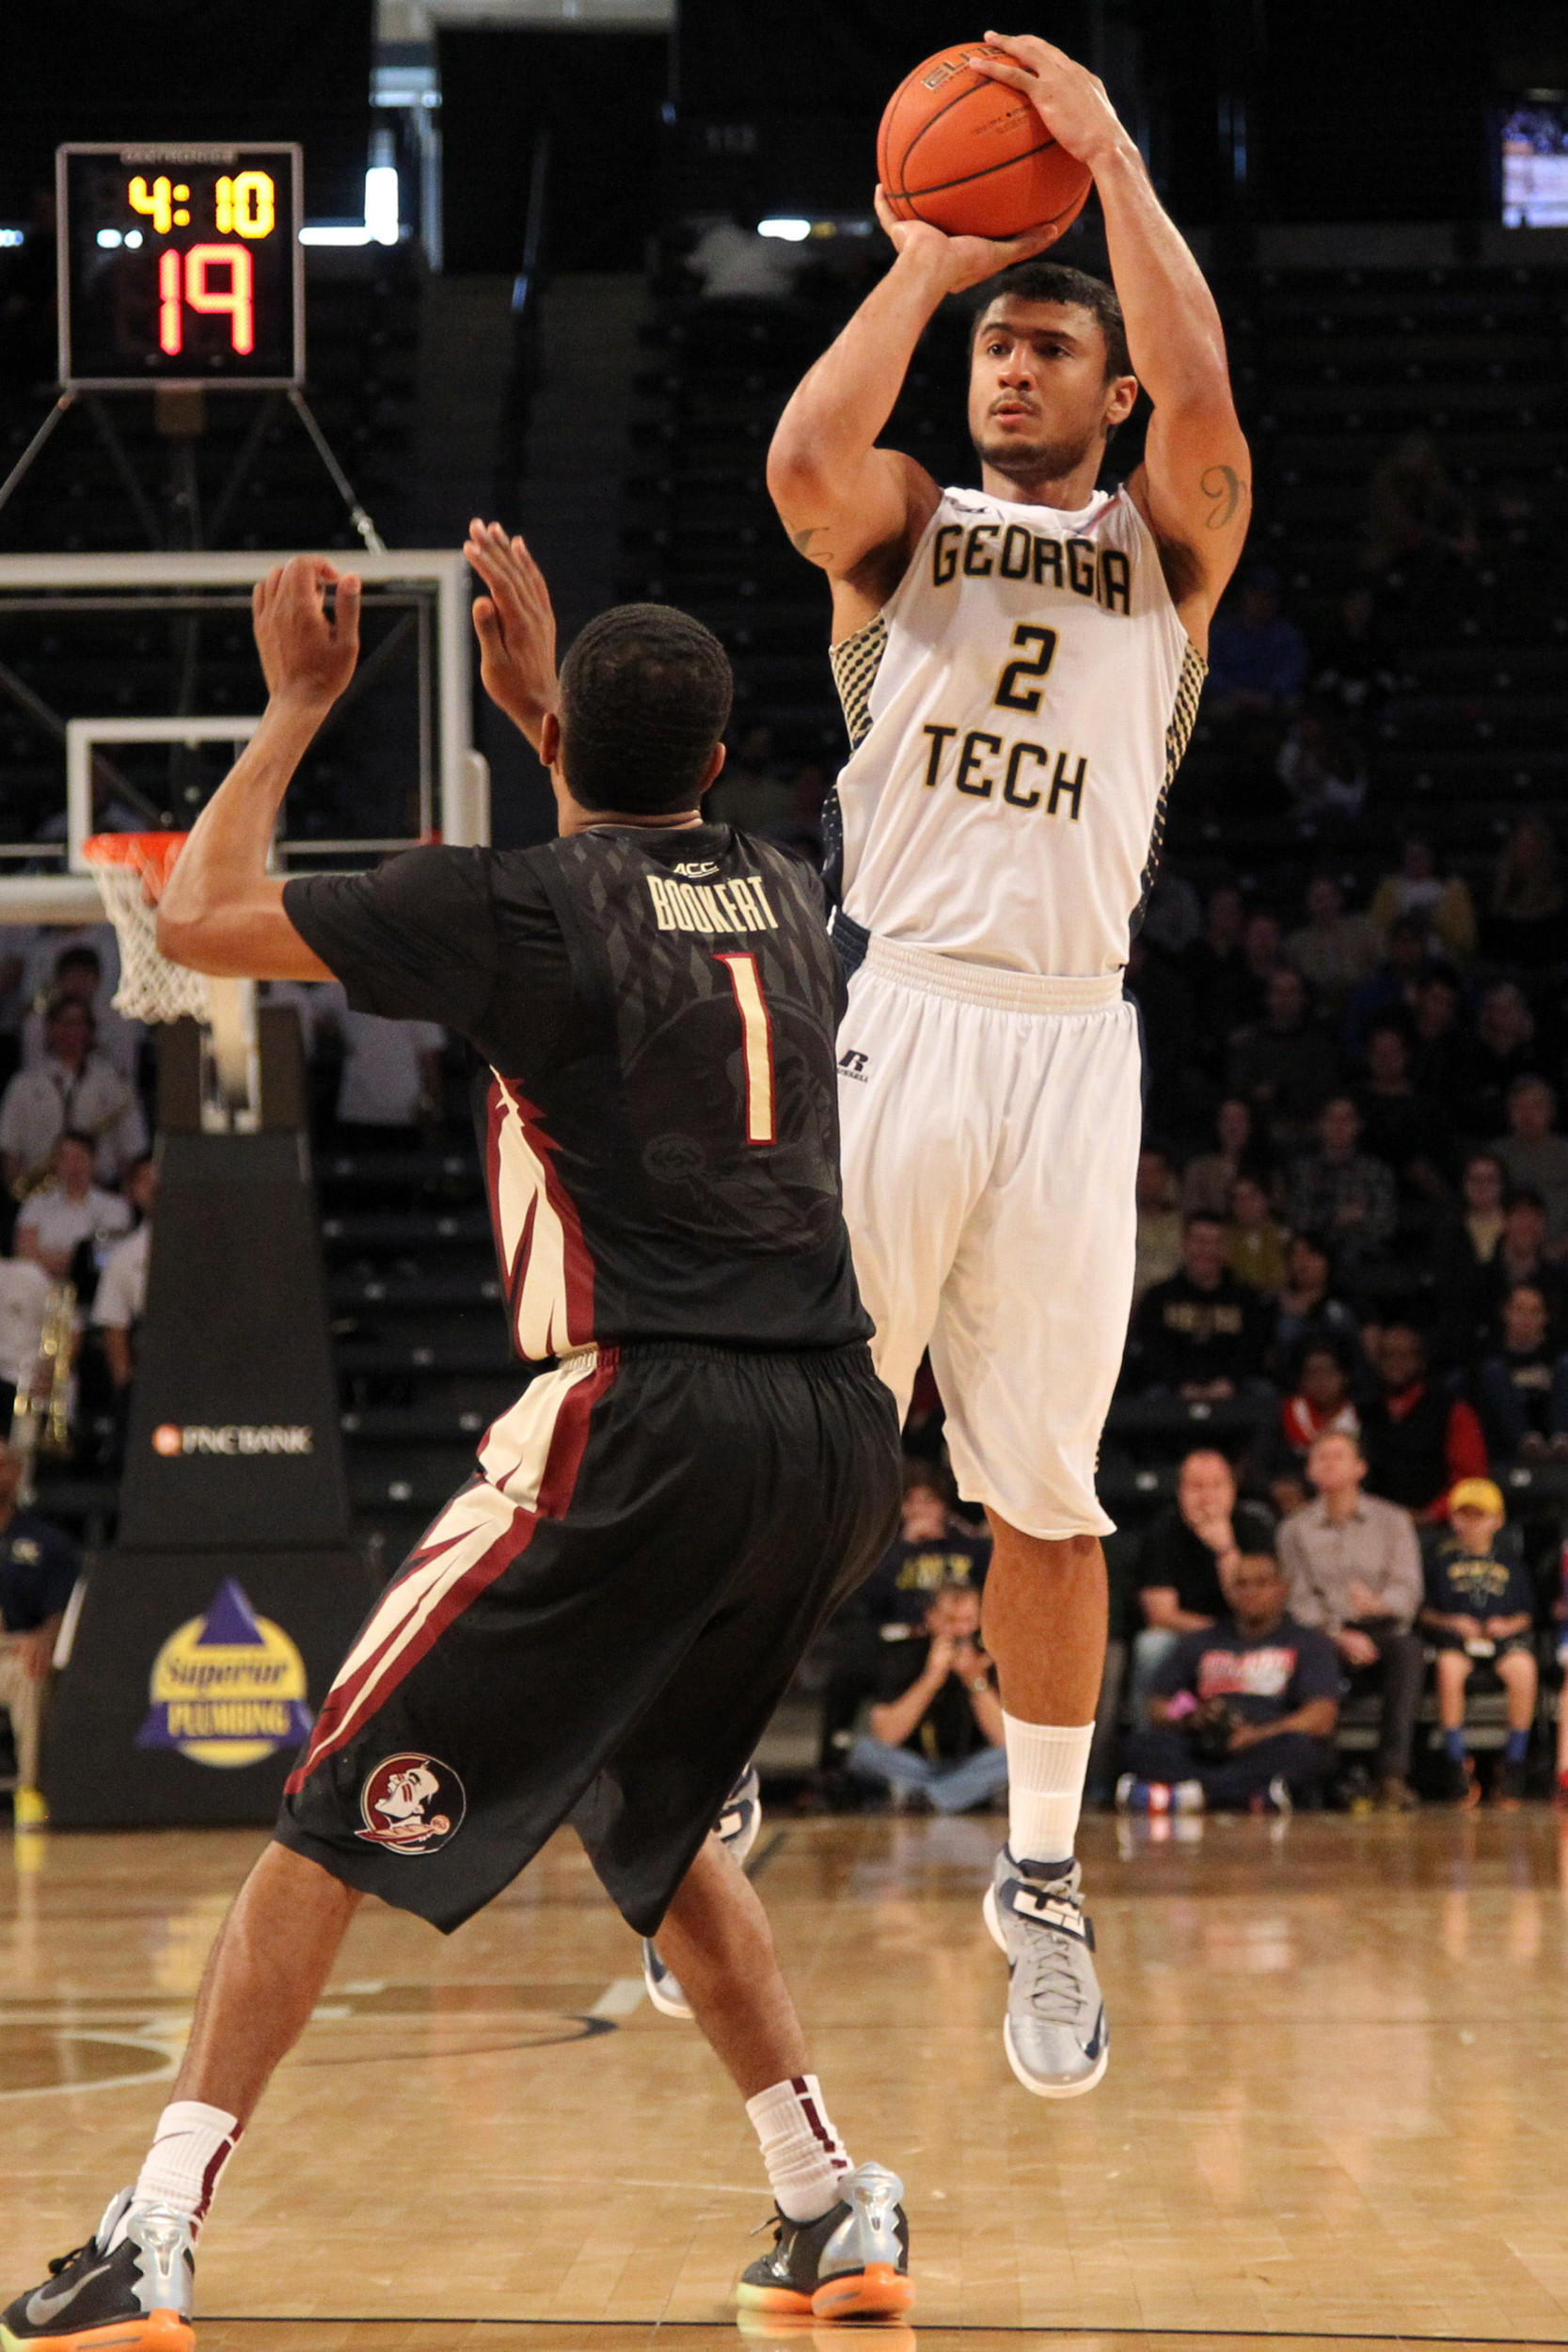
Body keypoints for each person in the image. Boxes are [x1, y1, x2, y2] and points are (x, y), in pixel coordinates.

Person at [1, 545, 917, 2348]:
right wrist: (550, 725)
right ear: (723, 761)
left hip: (642, 1411)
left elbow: (194, 920)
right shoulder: (791, 889)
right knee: (657, 1811)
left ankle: (150, 2234)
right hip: (830, 1429)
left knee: (325, 1806)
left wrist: (294, 710)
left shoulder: (510, 903)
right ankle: (829, 2206)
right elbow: (635, 867)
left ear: (567, 736)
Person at [765, 30, 1249, 2098]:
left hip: (1072, 1042)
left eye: (1053, 350)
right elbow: (801, 468)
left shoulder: (1168, 546)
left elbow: (1215, 420)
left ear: (1109, 382)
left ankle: (1037, 1883)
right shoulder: (900, 535)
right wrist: (917, 264)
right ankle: (710, 1764)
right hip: (907, 1005)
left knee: (1042, 1496)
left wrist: (1114, 169)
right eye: (999, 350)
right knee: (804, 1452)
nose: (1016, 370)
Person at [1117, 1516, 1338, 1814]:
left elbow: (1320, 1716)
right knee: (1139, 1745)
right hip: (1204, 1744)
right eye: (1241, 1584)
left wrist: (1256, 1735)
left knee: (1304, 1751)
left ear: (1281, 1589)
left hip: (1266, 1739)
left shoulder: (1307, 1642)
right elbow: (1158, 1705)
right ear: (1230, 1590)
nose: (1250, 1592)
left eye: (1261, 1583)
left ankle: (1190, 1795)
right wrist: (1192, 1717)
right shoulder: (1202, 1639)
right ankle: (1248, 1797)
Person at [1277, 1429, 1426, 1808]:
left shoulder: (1393, 1521)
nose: (1329, 1464)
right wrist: (1336, 1633)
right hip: (1324, 1630)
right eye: (1321, 1458)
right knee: (1313, 1653)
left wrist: (1378, 1605)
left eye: (1338, 1456)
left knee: (1409, 1651)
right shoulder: (1294, 1530)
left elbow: (1408, 1589)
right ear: (1310, 1470)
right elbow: (1296, 1599)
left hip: (1381, 1625)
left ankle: (1392, 1776)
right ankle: (1321, 1778)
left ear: (1359, 1467)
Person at [1419, 1478, 1537, 1808]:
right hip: (1457, 1641)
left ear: (1498, 1520)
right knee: (1448, 1668)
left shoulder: (1511, 1565)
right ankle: (1456, 1763)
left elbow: (1528, 1614)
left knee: (1524, 1669)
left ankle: (1514, 1762)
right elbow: (1424, 1613)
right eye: (1464, 1515)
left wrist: (1507, 1624)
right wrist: (1451, 1621)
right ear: (1453, 1519)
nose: (1472, 1523)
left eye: (1480, 1515)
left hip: (1501, 1642)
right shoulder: (1441, 1563)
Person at [847, 1581, 1009, 1815]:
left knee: (1018, 1756)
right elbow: (886, 1735)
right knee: (864, 1751)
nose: (962, 1630)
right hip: (915, 1764)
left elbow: (1004, 1739)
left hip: (972, 1762)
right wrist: (931, 1679)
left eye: (969, 1620)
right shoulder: (903, 1655)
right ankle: (955, 1796)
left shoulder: (993, 1655)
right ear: (931, 1618)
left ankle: (927, 1797)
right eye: (951, 1620)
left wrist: (975, 1682)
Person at [1129, 1447, 1242, 1726]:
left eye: (1216, 1486)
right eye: (1196, 1487)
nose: (1207, 1497)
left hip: (1250, 1635)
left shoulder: (1253, 1525)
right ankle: (1147, 1743)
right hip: (1187, 1637)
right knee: (1152, 1645)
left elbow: (1252, 1606)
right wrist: (1221, 1633)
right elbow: (1161, 1616)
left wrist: (1226, 1552)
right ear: (1180, 1492)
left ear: (1232, 1490)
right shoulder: (1163, 1532)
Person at [0, 1436, 79, 1825]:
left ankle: (29, 1791)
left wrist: (44, 1639)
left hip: (15, 1651)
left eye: (1, 1465)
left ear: (16, 1474)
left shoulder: (46, 1541)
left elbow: (60, 1611)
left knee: (30, 1676)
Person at [0, 993, 146, 1195]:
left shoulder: (114, 1083)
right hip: (41, 1194)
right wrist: (21, 1195)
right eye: (64, 1023)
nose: (71, 1031)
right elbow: (10, 1148)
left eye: (78, 1024)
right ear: (50, 1029)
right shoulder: (24, 1084)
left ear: (90, 1031)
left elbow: (132, 1147)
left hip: (100, 1192)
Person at [1130, 1213, 1272, 1399]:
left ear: (1226, 1248)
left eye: (1215, 1243)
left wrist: (1229, 1382)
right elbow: (1152, 1351)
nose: (1207, 1250)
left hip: (1232, 1387)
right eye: (1200, 1241)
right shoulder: (1158, 1297)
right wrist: (1180, 1384)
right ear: (1184, 1244)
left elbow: (1254, 1349)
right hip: (1172, 1388)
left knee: (1264, 1394)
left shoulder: (1245, 1298)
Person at [1359, 1324, 1487, 1521]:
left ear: (1422, 1361)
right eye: (1388, 1355)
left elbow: (1472, 1482)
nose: (1395, 1363)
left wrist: (1429, 1515)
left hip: (1438, 1528)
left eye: (1404, 1355)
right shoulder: (1362, 1412)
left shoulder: (1453, 1411)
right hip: (1374, 1527)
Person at [1227, 965, 1339, 1152]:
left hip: (1308, 1132)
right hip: (1259, 1135)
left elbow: (1324, 1091)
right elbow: (1240, 1091)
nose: (1284, 999)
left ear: (1303, 999)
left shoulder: (1319, 1047)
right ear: (1267, 998)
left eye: (1291, 992)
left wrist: (1278, 1092)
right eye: (1278, 992)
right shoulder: (1250, 1045)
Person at [1285, 1096, 1397, 1267]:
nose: (1339, 1126)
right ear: (1320, 1125)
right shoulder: (1302, 1170)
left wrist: (1356, 1222)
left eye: (1346, 1119)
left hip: (1361, 1256)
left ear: (1358, 1125)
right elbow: (1296, 1217)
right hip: (1312, 1253)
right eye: (1332, 1119)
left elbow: (1385, 1223)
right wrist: (1335, 1217)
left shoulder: (1375, 1172)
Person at [14, 1129, 132, 1286]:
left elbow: (105, 1258)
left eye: (78, 1157)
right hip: (42, 1290)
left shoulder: (115, 1207)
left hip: (92, 1292)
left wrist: (49, 1257)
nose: (71, 1166)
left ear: (93, 1161)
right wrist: (75, 1260)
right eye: (64, 1158)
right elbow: (25, 1254)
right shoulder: (36, 1204)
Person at [1473, 1283, 1568, 1460]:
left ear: (1545, 1317)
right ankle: (1526, 1442)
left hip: (1554, 1432)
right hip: (1507, 1439)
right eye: (1519, 1310)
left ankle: (1563, 1441)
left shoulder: (1558, 1356)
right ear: (1505, 1312)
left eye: (1535, 1311)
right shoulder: (1488, 1355)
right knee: (1493, 1370)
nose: (1526, 1318)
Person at [1264, 1341, 1360, 1516]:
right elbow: (1262, 1466)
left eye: (1327, 1372)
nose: (1320, 1380)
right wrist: (1277, 1487)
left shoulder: (1362, 1418)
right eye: (1312, 1373)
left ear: (1344, 1376)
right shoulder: (1284, 1415)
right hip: (1292, 1508)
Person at [91, 1155, 156, 1398]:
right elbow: (114, 1325)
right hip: (151, 1373)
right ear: (133, 1191)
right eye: (146, 1180)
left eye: (161, 1176)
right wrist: (126, 1390)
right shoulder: (124, 1256)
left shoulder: (210, 1244)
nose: (156, 1186)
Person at [1205, 570, 1307, 723]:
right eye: (1255, 595)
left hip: (1271, 699)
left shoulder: (1287, 635)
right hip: (1231, 698)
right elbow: (1209, 670)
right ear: (1244, 597)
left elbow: (1293, 670)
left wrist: (1269, 693)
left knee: (1294, 705)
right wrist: (1235, 693)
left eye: (1267, 597)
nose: (1261, 602)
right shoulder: (1222, 632)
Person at [1369, 834, 1476, 966]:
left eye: (1421, 855)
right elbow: (1376, 930)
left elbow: (1466, 939)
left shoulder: (1453, 889)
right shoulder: (1388, 889)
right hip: (1398, 962)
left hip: (1441, 961)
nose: (1416, 860)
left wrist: (1435, 921)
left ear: (1432, 858)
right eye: (1411, 855)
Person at [1287, 876, 1383, 1012]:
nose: (1324, 903)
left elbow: (1380, 964)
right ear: (1308, 902)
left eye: (1329, 896)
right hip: (1315, 1007)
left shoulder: (1364, 930)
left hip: (1362, 1002)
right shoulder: (1297, 942)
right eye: (1318, 898)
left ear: (1339, 899)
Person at [1270, 1231, 1363, 1371]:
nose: (1303, 1261)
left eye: (1311, 1253)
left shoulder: (1347, 1301)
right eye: (1295, 1255)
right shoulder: (1273, 1305)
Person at [1494, 1076, 1568, 1247]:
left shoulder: (1565, 1155)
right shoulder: (1495, 1157)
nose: (1527, 1114)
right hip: (1507, 1251)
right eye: (1519, 1107)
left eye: (1536, 1107)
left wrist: (1561, 1247)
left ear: (1551, 1112)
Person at [1181, 1094, 1268, 1219]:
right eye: (1227, 1121)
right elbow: (1191, 1213)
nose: (1233, 1128)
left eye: (1239, 1120)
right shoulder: (1198, 1170)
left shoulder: (1266, 1168)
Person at [1133, 1144, 1182, 1300]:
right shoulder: (1121, 1226)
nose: (1147, 1179)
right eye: (1141, 1172)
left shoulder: (1184, 1226)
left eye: (1154, 1172)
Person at [1226, 1172, 1288, 1296]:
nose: (1244, 1204)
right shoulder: (1222, 1239)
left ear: (1267, 1200)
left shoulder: (1286, 1238)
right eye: (1238, 1198)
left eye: (1251, 1196)